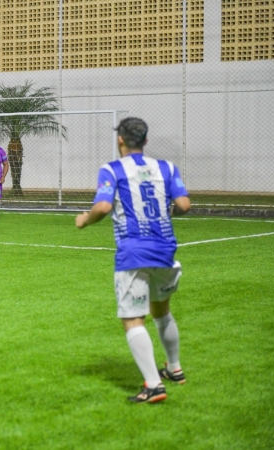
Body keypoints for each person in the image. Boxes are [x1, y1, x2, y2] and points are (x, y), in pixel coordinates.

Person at [75, 117, 191, 403]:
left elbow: (102, 207)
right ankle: (174, 369)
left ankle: (153, 385)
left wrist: (84, 220)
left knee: (132, 318)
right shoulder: (167, 167)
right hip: (165, 250)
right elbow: (184, 205)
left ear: (120, 140)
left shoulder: (112, 169)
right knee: (161, 310)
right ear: (146, 141)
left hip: (133, 252)